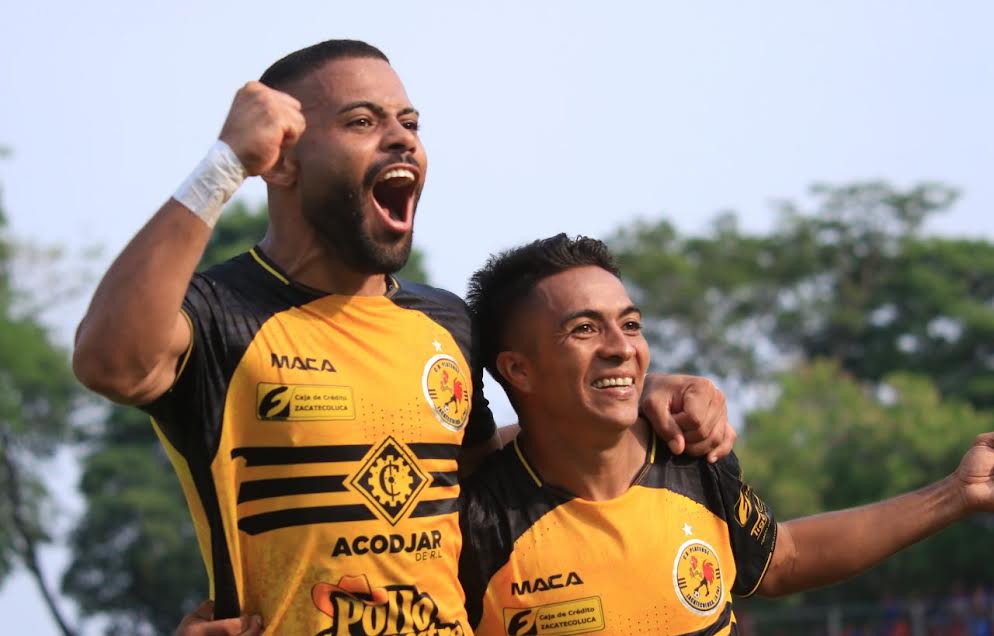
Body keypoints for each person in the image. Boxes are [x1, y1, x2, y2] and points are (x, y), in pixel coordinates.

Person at [72, 41, 734, 634]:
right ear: (281, 162)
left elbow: (468, 465)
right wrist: (222, 166)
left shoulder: (445, 321)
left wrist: (636, 400)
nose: (401, 140)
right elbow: (110, 363)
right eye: (363, 122)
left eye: (410, 124)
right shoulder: (223, 312)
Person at [456, 233, 994, 635]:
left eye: (631, 324)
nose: (622, 347)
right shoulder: (475, 520)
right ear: (518, 370)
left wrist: (957, 493)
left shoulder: (692, 457)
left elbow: (784, 559)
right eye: (585, 329)